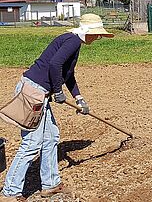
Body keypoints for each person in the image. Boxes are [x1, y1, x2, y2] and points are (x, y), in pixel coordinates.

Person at [0, 14, 114, 201]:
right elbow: (54, 64)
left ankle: (50, 183)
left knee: (51, 136)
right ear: (88, 31)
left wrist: (79, 98)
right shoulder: (73, 41)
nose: (98, 37)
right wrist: (57, 90)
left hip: (40, 92)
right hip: (33, 92)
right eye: (97, 34)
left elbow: (67, 74)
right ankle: (10, 192)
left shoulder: (72, 42)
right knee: (31, 143)